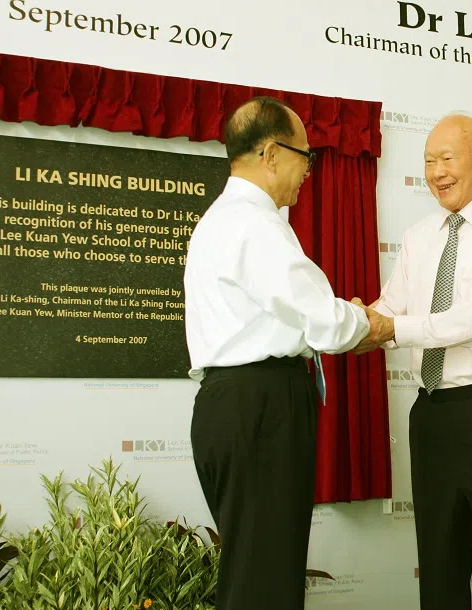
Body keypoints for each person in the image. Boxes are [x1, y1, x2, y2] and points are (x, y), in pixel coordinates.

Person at [184, 96, 391, 610]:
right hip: (261, 407)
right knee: (266, 584)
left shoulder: (221, 219)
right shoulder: (255, 224)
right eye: (306, 157)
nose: (307, 172)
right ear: (272, 153)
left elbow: (299, 312)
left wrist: (347, 318)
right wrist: (378, 323)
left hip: (233, 405)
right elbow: (322, 319)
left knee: (254, 572)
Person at [355, 112, 472, 609]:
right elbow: (391, 307)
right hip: (433, 411)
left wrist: (391, 329)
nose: (436, 171)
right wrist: (353, 323)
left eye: (447, 158)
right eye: (427, 161)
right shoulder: (420, 234)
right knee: (438, 564)